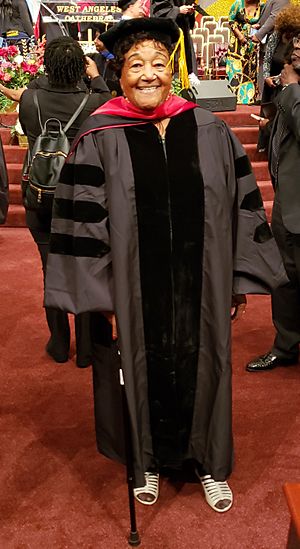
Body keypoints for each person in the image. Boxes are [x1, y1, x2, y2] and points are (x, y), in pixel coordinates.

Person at [45, 17, 286, 512]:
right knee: (137, 369)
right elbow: (84, 224)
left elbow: (241, 208)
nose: (148, 74)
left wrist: (236, 280)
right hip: (135, 290)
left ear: (172, 70)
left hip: (203, 284)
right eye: (136, 64)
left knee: (211, 362)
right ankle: (147, 461)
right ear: (120, 76)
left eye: (158, 63)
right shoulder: (99, 137)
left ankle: (211, 464)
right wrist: (101, 294)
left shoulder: (209, 130)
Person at [19, 36, 111, 367]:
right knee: (84, 271)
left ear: (47, 65)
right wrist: (95, 74)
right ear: (79, 68)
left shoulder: (30, 99)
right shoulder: (93, 102)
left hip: (40, 198)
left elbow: (32, 99)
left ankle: (59, 344)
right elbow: (108, 97)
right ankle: (86, 350)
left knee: (51, 270)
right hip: (81, 198)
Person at [246, 34, 300, 372]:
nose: (295, 49)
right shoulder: (291, 89)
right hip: (288, 204)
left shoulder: (293, 88)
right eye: (295, 44)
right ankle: (286, 344)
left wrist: (291, 89)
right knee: (284, 280)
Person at [257, 5, 300, 151]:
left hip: (287, 84)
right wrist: (266, 77)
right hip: (272, 84)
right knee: (268, 115)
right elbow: (267, 58)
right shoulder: (276, 34)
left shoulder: (297, 38)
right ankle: (266, 147)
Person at [226, 0, 263, 104]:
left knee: (250, 71)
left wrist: (257, 26)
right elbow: (231, 20)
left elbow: (263, 22)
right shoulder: (237, 4)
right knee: (236, 70)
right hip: (237, 44)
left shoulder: (262, 6)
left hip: (252, 44)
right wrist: (240, 35)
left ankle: (249, 98)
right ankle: (233, 98)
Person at [251, 0, 289, 96]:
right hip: (268, 38)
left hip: (277, 41)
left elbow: (274, 17)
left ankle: (267, 99)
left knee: (270, 67)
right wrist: (259, 24)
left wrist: (259, 35)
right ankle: (262, 97)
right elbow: (267, 16)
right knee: (264, 66)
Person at [151, 0, 198, 78]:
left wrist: (190, 11)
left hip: (183, 35)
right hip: (168, 37)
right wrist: (178, 10)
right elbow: (159, 12)